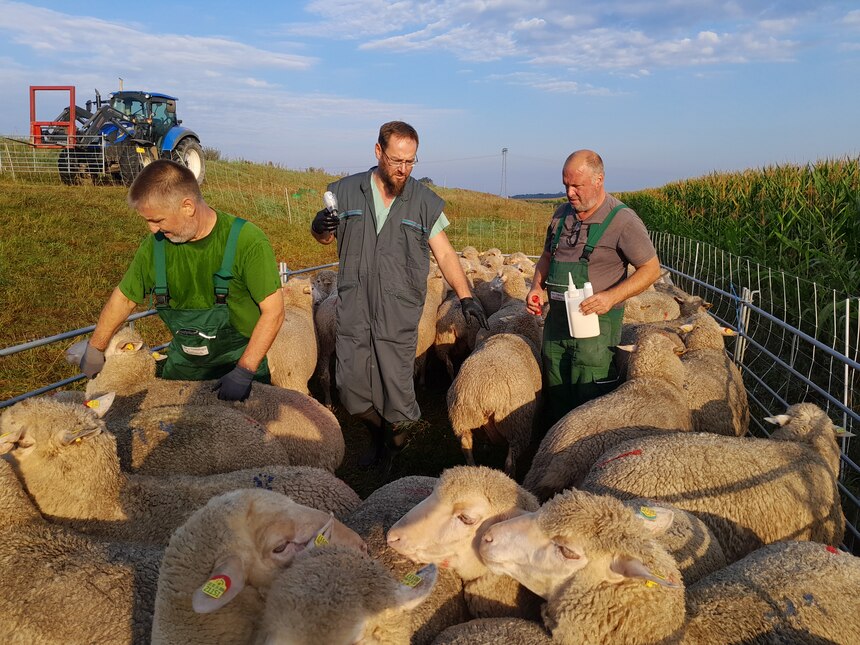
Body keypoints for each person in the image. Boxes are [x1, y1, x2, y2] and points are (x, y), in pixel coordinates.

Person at [311, 120, 488, 476]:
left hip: (399, 311)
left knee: (400, 398)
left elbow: (447, 254)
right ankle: (376, 433)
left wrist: (467, 296)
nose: (403, 169)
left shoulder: (423, 201)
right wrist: (320, 227)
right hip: (355, 308)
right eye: (396, 160)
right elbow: (325, 239)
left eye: (410, 162)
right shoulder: (345, 193)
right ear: (378, 152)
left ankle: (394, 447)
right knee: (350, 390)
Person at [79, 159, 285, 402]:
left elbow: (273, 311)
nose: (152, 230)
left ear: (187, 206)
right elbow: (124, 298)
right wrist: (96, 347)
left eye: (157, 220)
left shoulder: (247, 241)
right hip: (182, 369)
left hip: (237, 367)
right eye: (147, 221)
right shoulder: (155, 248)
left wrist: (244, 371)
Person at [526, 150, 660, 425]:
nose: (569, 193)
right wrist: (536, 287)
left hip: (596, 328)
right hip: (558, 324)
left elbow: (651, 269)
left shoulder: (623, 220)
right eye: (566, 185)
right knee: (555, 388)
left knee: (590, 394)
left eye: (577, 186)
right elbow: (547, 257)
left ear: (599, 180)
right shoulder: (561, 215)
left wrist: (611, 297)